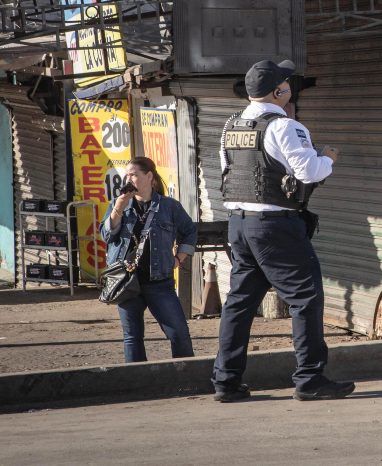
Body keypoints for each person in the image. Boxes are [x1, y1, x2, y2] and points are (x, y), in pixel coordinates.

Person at [212, 59, 352, 402]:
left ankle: (226, 382)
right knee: (305, 298)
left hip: (240, 224)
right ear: (277, 92)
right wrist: (328, 158)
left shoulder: (232, 124)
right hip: (274, 226)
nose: (290, 88)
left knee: (240, 305)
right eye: (286, 84)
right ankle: (310, 379)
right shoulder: (284, 126)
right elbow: (308, 172)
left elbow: (230, 172)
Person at [100, 156, 197, 363]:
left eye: (134, 174)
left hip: (159, 282)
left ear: (149, 176)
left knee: (179, 333)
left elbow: (190, 232)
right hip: (127, 282)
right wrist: (118, 207)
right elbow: (107, 236)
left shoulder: (169, 206)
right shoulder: (120, 205)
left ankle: (187, 378)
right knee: (132, 337)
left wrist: (179, 258)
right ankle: (137, 384)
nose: (129, 179)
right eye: (127, 175)